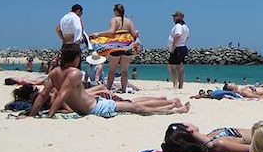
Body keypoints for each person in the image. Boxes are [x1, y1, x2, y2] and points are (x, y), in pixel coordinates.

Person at [27, 47, 189, 118]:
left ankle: (171, 107)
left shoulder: (54, 72)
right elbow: (61, 95)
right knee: (136, 107)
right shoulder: (74, 73)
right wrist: (50, 114)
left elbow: (43, 95)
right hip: (96, 108)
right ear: (75, 58)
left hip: (97, 102)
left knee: (134, 105)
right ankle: (174, 111)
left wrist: (32, 114)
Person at [90, 4, 140, 93]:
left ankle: (108, 89)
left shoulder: (114, 20)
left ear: (116, 11)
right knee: (124, 70)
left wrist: (98, 34)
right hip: (127, 46)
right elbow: (134, 35)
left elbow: (111, 32)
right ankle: (124, 89)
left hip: (116, 46)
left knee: (112, 70)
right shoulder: (129, 21)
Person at [167, 10, 189, 89]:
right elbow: (187, 37)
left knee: (171, 66)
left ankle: (175, 85)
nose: (173, 18)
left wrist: (173, 45)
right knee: (180, 67)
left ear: (179, 17)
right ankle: (180, 85)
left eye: (174, 16)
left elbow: (178, 34)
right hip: (182, 47)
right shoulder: (185, 26)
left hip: (178, 47)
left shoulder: (178, 26)